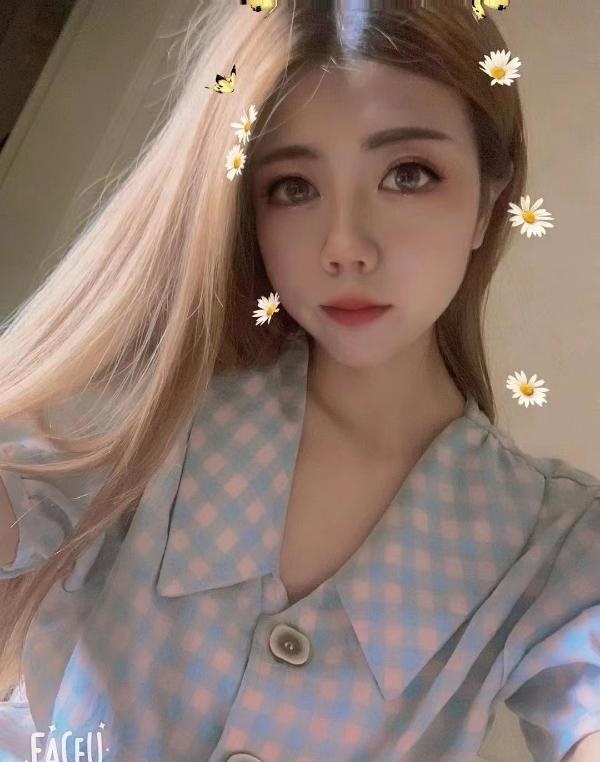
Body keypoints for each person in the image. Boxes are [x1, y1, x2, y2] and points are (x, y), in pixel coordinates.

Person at [0, 2, 598, 761]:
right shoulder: (139, 416)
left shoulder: (555, 544)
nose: (345, 246)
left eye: (408, 175)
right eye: (292, 186)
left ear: (489, 200)